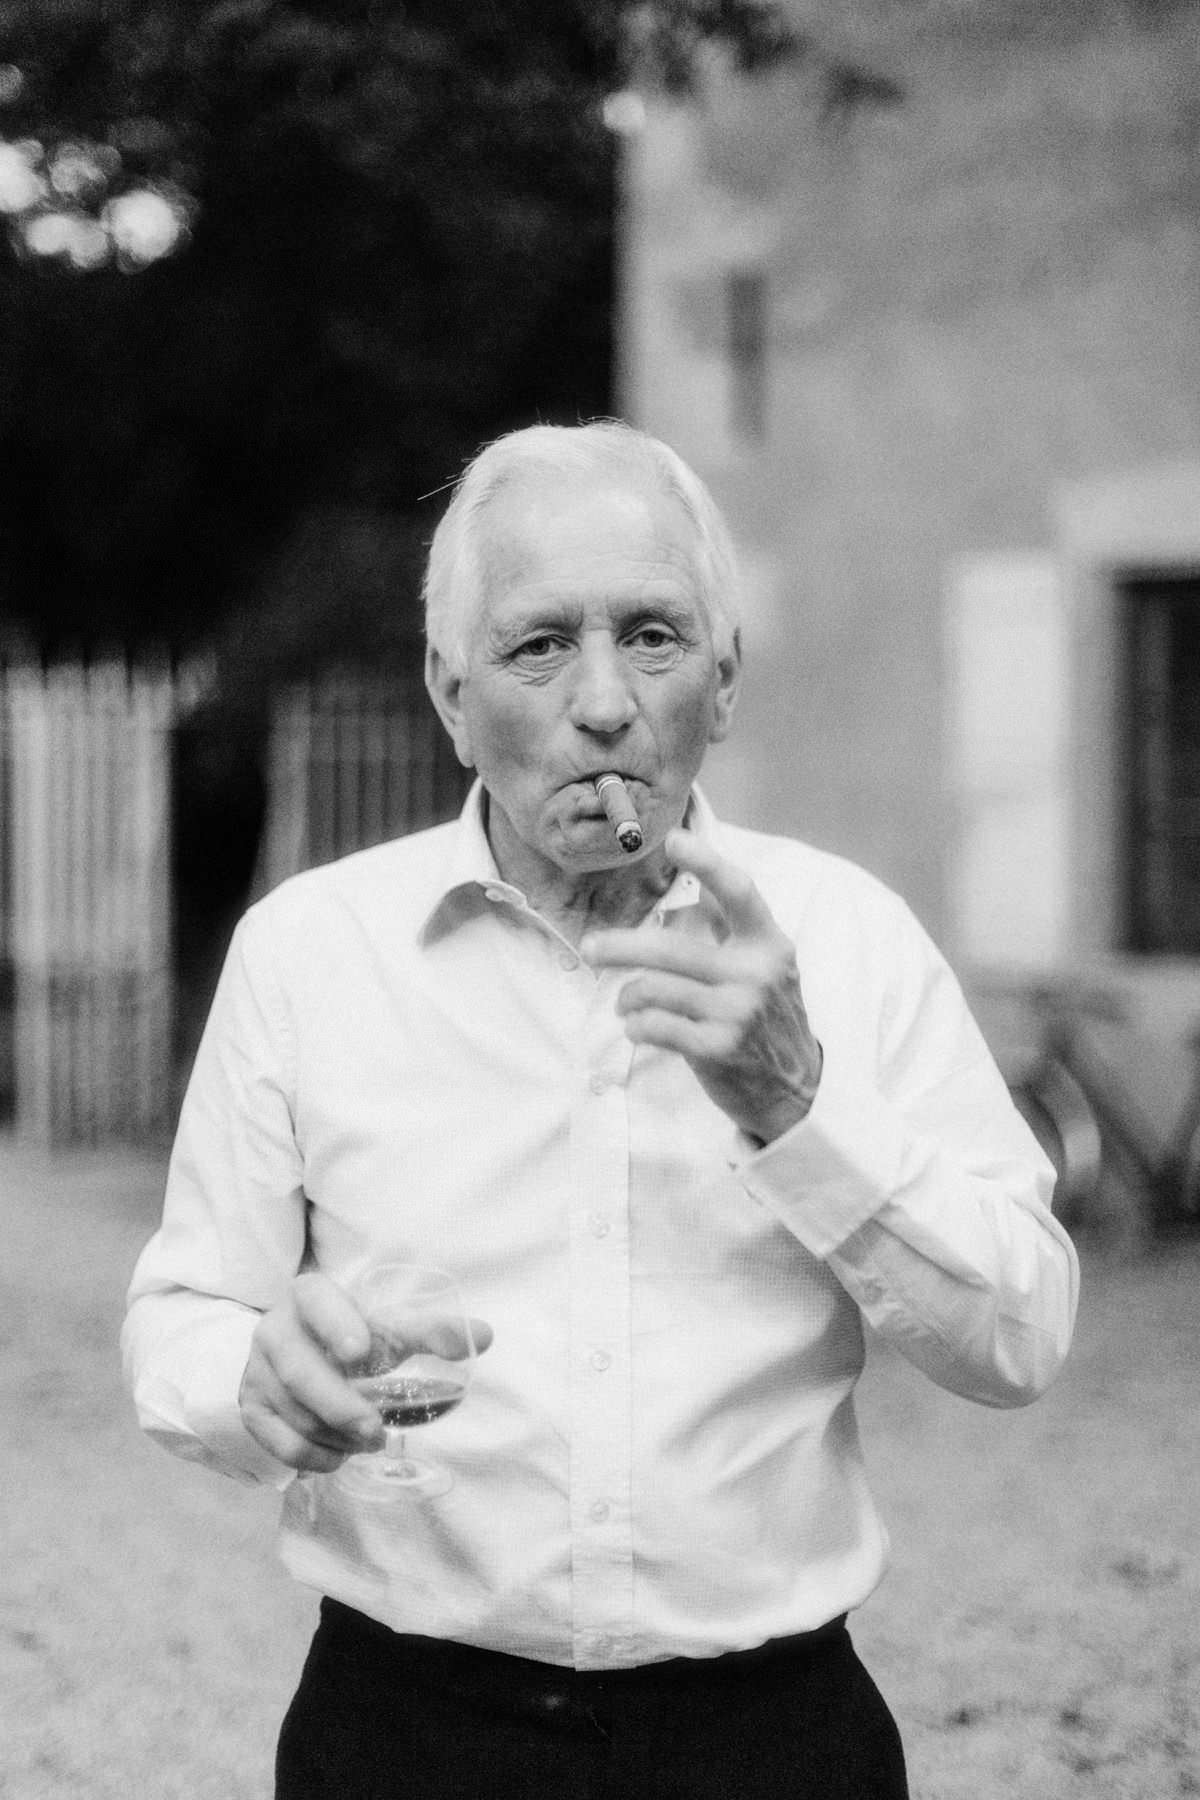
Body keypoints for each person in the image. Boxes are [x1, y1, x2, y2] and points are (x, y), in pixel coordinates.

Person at [123, 420, 1079, 1800]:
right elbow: (185, 1322)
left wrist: (799, 1108)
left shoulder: (849, 941)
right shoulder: (309, 953)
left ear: (727, 682)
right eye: (537, 646)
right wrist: (257, 1380)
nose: (606, 703)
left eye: (652, 636)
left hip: (773, 1736)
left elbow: (1025, 1335)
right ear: (452, 696)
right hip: (407, 1730)